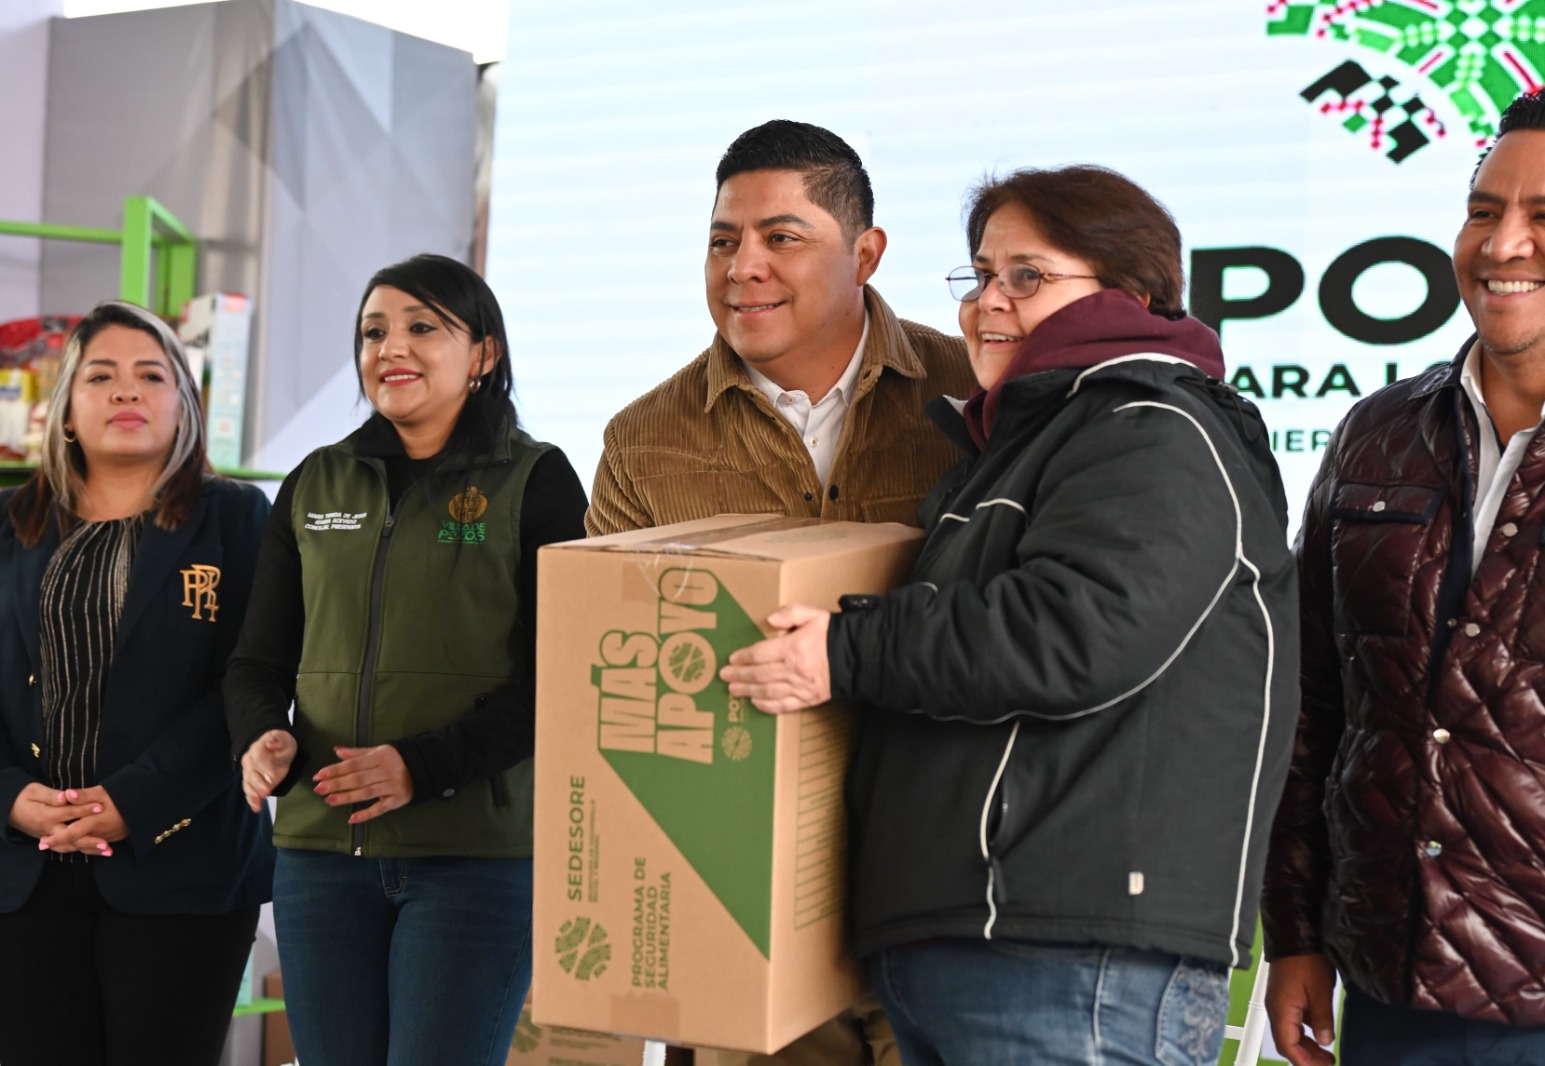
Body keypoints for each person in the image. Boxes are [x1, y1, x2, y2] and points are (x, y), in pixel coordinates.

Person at [721, 164, 1299, 1066]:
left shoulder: (1151, 426)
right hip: (983, 941)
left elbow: (1078, 631)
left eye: (1027, 277)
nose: (987, 303)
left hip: (1072, 956)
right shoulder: (1032, 442)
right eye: (981, 275)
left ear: (1132, 292)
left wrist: (846, 647)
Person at [587, 119, 972, 1066]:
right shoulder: (646, 438)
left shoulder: (972, 397)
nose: (742, 266)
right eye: (723, 240)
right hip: (741, 880)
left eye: (781, 237)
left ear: (867, 253)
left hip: (944, 867)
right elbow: (606, 669)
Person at [1260, 85, 1545, 1066]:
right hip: (1385, 981)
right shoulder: (1377, 435)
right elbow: (1311, 706)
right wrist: (1295, 932)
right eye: (1485, 209)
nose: (1501, 245)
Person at [224, 254, 587, 1066]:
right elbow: (256, 663)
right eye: (373, 331)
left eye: (424, 327)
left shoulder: (539, 480)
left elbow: (558, 678)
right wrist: (262, 737)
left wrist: (421, 768)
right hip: (322, 858)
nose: (393, 347)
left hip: (473, 861)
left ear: (483, 353)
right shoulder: (317, 483)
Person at [0, 300, 273, 1066]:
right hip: (24, 868)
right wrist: (8, 795)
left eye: (152, 376)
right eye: (102, 376)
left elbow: (251, 682)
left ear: (185, 408)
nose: (127, 392)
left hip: (184, 869)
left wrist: (134, 801)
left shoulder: (238, 520)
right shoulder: (8, 524)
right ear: (65, 412)